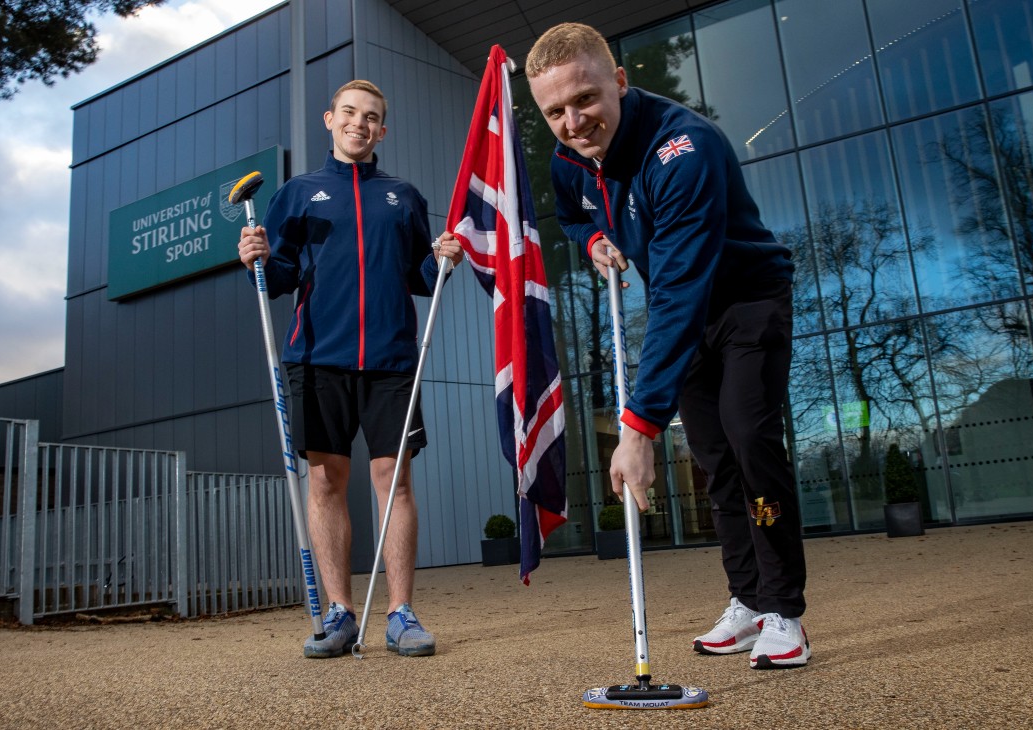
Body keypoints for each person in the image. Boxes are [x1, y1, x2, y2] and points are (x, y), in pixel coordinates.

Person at [526, 24, 810, 669]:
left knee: (748, 437)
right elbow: (574, 213)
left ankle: (784, 611)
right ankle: (747, 597)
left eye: (586, 99)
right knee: (712, 455)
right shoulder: (569, 156)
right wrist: (595, 238)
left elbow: (680, 290)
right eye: (555, 112)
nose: (573, 121)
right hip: (688, 313)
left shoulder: (685, 148)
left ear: (619, 82)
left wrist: (639, 425)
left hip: (745, 302)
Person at [238, 80, 463, 659]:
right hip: (317, 359)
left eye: (372, 117)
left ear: (381, 130)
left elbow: (419, 277)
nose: (359, 123)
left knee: (395, 481)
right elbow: (279, 277)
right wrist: (256, 261)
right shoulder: (296, 193)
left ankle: (400, 613)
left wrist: (442, 260)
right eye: (349, 113)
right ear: (329, 119)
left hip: (390, 360)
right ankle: (339, 612)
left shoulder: (404, 197)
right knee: (324, 480)